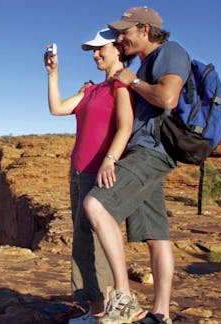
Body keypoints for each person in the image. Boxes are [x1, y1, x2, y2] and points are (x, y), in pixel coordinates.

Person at [83, 7, 191, 324]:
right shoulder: (146, 63)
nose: (120, 37)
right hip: (147, 151)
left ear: (144, 29)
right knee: (156, 236)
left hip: (151, 151)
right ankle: (161, 315)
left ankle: (123, 296)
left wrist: (133, 82)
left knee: (96, 205)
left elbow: (168, 98)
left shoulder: (170, 52)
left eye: (125, 32)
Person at [44, 28, 134, 322]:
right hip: (78, 172)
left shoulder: (121, 86)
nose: (95, 55)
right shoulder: (92, 89)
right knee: (83, 239)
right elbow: (57, 109)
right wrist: (53, 73)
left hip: (99, 172)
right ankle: (98, 311)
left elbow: (125, 126)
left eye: (100, 49)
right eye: (93, 51)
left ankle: (105, 310)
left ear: (118, 50)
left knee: (92, 241)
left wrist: (110, 160)